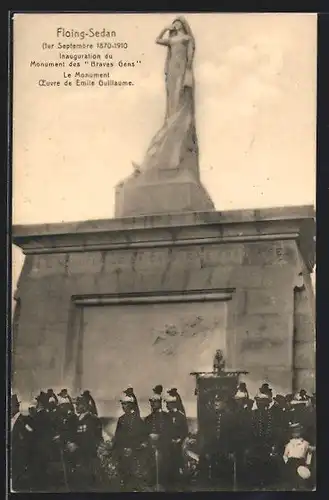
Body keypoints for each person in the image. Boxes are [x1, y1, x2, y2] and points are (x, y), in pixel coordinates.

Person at [113, 395, 149, 491]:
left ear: (130, 405)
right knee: (123, 478)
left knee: (133, 479)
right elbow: (117, 437)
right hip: (122, 453)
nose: (123, 406)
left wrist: (132, 448)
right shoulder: (121, 419)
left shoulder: (137, 420)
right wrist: (119, 449)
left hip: (134, 454)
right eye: (122, 404)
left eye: (125, 404)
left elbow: (141, 438)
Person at [68, 395, 103, 491]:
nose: (76, 407)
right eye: (76, 404)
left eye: (78, 405)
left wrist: (77, 446)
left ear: (85, 406)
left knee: (86, 483)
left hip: (87, 455)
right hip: (76, 454)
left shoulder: (92, 419)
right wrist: (70, 442)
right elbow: (72, 434)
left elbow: (91, 439)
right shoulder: (75, 419)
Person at [144, 394, 170, 490]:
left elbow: (169, 433)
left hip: (163, 448)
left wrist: (160, 437)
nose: (153, 404)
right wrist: (149, 437)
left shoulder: (167, 417)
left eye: (155, 402)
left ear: (160, 403)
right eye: (151, 402)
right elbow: (144, 433)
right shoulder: (148, 419)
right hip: (150, 449)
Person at [10, 394, 34, 491]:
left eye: (10, 406)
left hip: (21, 453)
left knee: (19, 483)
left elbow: (30, 434)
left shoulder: (24, 420)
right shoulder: (10, 420)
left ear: (16, 407)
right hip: (13, 452)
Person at [165, 395, 188, 488]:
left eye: (168, 404)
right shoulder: (166, 416)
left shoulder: (181, 416)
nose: (167, 406)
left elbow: (185, 431)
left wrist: (180, 439)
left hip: (179, 444)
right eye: (166, 404)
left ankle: (180, 482)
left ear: (173, 404)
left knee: (178, 462)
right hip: (168, 444)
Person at [282, 423, 313, 490]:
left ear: (301, 431)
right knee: (292, 480)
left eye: (298, 430)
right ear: (292, 433)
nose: (296, 433)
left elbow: (309, 454)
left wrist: (308, 464)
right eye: (294, 431)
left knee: (301, 479)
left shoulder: (305, 443)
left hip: (300, 462)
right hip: (291, 463)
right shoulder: (289, 444)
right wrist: (287, 462)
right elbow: (285, 455)